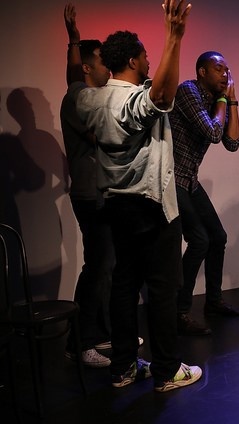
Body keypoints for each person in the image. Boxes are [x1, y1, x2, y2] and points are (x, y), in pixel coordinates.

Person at [68, 0, 203, 391]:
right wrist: (174, 37)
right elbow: (161, 97)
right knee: (162, 288)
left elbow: (74, 82)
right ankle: (165, 371)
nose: (149, 61)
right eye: (145, 55)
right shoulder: (132, 101)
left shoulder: (88, 99)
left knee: (125, 285)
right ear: (132, 59)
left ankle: (123, 367)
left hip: (114, 205)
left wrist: (73, 41)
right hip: (151, 205)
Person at [169, 50, 239, 337]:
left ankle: (213, 302)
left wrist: (233, 99)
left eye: (227, 69)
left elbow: (233, 142)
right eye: (219, 69)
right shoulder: (187, 90)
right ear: (202, 71)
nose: (225, 74)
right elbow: (214, 133)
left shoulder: (218, 100)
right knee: (200, 240)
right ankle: (178, 311)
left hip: (189, 179)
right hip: (171, 178)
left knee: (217, 237)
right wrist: (223, 100)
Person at [61, 4, 113, 368]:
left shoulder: (90, 96)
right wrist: (74, 41)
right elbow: (103, 135)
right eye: (101, 61)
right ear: (86, 66)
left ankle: (98, 332)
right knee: (96, 267)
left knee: (105, 265)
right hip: (88, 194)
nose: (107, 67)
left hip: (101, 193)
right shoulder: (77, 100)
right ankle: (79, 343)